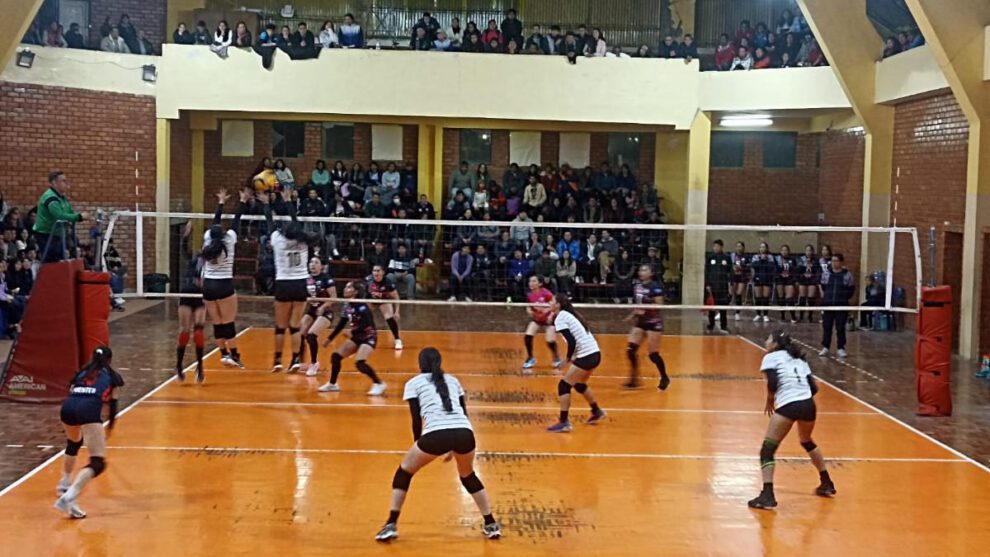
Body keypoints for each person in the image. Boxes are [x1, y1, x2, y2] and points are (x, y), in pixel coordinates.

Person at [375, 347, 500, 542]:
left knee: (404, 472)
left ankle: (391, 524)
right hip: (465, 433)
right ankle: (491, 523)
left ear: (420, 364)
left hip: (435, 435)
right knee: (468, 476)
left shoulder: (413, 383)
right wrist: (453, 445)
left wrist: (418, 444)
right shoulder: (453, 380)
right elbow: (463, 413)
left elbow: (416, 420)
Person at [748, 331, 836, 509]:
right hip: (808, 404)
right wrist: (801, 397)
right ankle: (826, 482)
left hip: (790, 405)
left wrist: (771, 399)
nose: (766, 341)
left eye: (769, 338)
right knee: (807, 441)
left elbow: (772, 382)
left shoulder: (770, 357)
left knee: (767, 449)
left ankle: (767, 494)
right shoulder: (799, 359)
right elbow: (813, 387)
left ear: (775, 344)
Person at [54, 347, 124, 519]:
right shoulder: (113, 377)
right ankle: (69, 496)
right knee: (98, 462)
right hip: (88, 409)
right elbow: (113, 405)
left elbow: (71, 389)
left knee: (74, 443)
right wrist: (110, 426)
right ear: (110, 360)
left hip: (68, 407)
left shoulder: (82, 372)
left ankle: (63, 483)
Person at [265, 190, 315, 373]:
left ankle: (277, 360)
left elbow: (270, 224)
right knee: (295, 326)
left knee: (280, 327)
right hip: (300, 284)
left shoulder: (278, 240)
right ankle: (294, 360)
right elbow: (296, 223)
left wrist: (266, 204)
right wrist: (288, 202)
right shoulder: (303, 242)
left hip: (284, 284)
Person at [201, 189, 248, 368]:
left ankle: (223, 354)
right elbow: (236, 222)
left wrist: (221, 203)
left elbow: (215, 223)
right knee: (228, 322)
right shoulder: (229, 240)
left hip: (208, 286)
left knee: (217, 321)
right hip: (224, 285)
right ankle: (235, 355)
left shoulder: (207, 240)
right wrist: (242, 201)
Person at [546, 294, 606, 432]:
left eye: (552, 301)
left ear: (558, 305)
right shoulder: (570, 314)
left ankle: (564, 422)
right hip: (595, 354)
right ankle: (596, 411)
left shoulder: (561, 317)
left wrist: (566, 360)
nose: (549, 303)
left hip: (587, 356)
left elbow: (572, 341)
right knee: (579, 384)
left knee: (564, 385)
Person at [318, 281, 387, 395]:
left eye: (349, 287)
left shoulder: (362, 306)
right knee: (335, 357)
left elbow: (367, 324)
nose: (345, 289)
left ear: (355, 291)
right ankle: (332, 384)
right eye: (345, 287)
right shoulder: (347, 305)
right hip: (356, 336)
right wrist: (330, 338)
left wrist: (352, 332)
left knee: (360, 362)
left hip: (368, 336)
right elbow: (341, 323)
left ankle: (379, 383)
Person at [625, 265, 669, 390]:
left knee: (653, 355)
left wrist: (645, 310)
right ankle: (634, 379)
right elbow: (639, 304)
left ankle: (664, 377)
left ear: (651, 273)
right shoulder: (637, 287)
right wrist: (632, 315)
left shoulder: (656, 287)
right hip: (641, 322)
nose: (641, 272)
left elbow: (659, 306)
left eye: (645, 270)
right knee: (630, 351)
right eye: (640, 270)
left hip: (654, 322)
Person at [33, 172, 88, 263]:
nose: (67, 183)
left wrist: (74, 217)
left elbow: (69, 211)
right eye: (63, 181)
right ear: (54, 183)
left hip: (58, 234)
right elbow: (59, 215)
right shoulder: (50, 197)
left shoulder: (62, 197)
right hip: (46, 235)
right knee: (51, 263)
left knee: (61, 261)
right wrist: (79, 217)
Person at [176, 222, 206, 383]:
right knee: (185, 331)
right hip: (187, 293)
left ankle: (200, 367)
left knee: (199, 331)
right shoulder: (194, 258)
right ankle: (179, 366)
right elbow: (183, 249)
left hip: (201, 297)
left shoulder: (213, 260)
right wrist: (187, 234)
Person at [300, 257, 335, 376]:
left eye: (316, 262)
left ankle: (314, 363)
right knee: (299, 332)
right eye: (311, 262)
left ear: (321, 266)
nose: (313, 264)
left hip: (326, 312)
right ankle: (301, 361)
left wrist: (323, 307)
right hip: (312, 310)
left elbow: (333, 297)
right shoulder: (307, 278)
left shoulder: (326, 278)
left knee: (311, 335)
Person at [521, 275, 561, 371]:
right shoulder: (530, 295)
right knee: (528, 336)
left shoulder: (546, 293)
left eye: (534, 281)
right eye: (530, 281)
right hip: (537, 319)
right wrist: (529, 311)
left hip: (549, 320)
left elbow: (554, 306)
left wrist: (550, 315)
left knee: (550, 341)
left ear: (540, 284)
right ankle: (530, 358)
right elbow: (529, 306)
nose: (531, 283)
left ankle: (556, 357)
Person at [819, 253, 854, 358]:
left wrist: (843, 298)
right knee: (827, 327)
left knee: (840, 327)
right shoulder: (826, 273)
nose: (834, 263)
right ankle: (825, 347)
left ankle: (841, 348)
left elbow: (851, 289)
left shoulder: (847, 275)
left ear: (841, 262)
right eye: (832, 261)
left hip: (841, 305)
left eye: (836, 261)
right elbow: (823, 286)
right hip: (828, 305)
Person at [367, 264, 403, 350]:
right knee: (364, 316)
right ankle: (364, 337)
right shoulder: (368, 280)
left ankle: (397, 340)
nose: (376, 273)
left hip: (384, 301)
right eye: (374, 271)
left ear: (383, 272)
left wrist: (397, 311)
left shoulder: (388, 282)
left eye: (378, 271)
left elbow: (396, 297)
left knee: (389, 318)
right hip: (371, 300)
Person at [705, 239, 732, 333]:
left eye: (717, 246)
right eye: (714, 246)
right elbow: (706, 272)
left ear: (721, 247)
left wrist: (730, 285)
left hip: (723, 286)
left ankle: (723, 326)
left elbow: (730, 272)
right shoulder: (710, 257)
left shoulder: (727, 258)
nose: (715, 248)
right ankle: (711, 325)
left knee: (723, 307)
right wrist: (707, 284)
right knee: (711, 307)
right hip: (712, 286)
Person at [751, 242, 775, 322]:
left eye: (764, 247)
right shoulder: (755, 256)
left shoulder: (770, 257)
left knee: (765, 298)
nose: (762, 248)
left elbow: (771, 267)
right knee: (758, 297)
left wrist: (765, 261)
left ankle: (765, 315)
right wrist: (761, 260)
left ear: (767, 248)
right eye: (761, 247)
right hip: (758, 278)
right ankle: (758, 314)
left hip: (767, 279)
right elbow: (754, 265)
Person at [797, 244, 821, 323]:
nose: (808, 252)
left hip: (812, 280)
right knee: (802, 297)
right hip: (803, 279)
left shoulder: (816, 260)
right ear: (805, 251)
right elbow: (798, 269)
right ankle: (801, 315)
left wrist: (816, 279)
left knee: (811, 298)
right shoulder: (801, 259)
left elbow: (818, 270)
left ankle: (810, 315)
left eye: (810, 250)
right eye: (807, 250)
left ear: (812, 251)